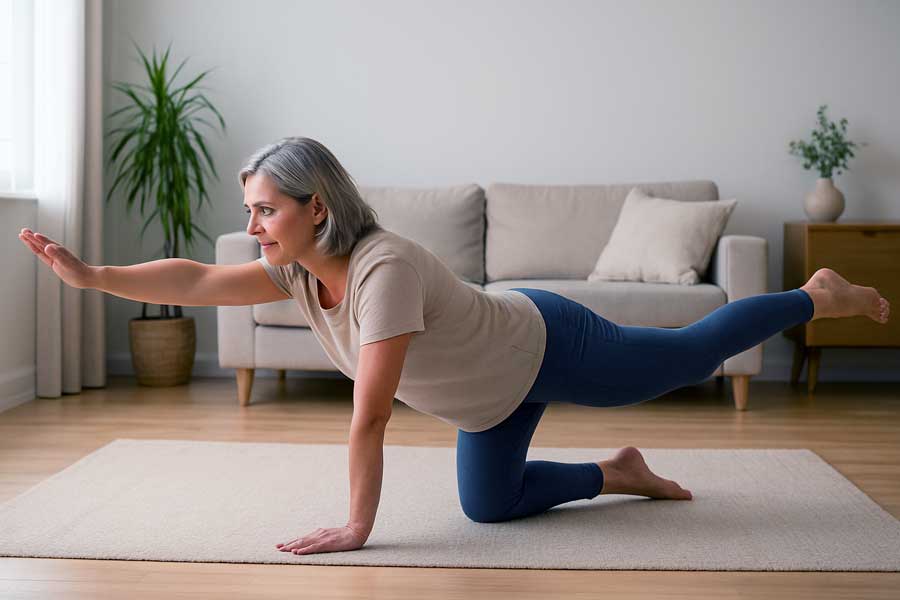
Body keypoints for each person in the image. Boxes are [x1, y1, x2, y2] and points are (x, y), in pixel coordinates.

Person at [18, 137, 891, 557]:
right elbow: (200, 278)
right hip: (489, 396)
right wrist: (91, 275)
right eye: (250, 209)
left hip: (545, 342)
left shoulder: (383, 269)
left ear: (317, 206)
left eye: (266, 210)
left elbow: (370, 416)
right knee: (489, 508)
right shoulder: (293, 269)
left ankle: (813, 296)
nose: (253, 226)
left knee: (688, 358)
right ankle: (618, 472)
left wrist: (359, 526)